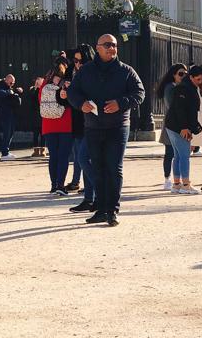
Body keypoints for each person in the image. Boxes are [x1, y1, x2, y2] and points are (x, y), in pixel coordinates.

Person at [68, 34, 145, 226]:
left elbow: (139, 93)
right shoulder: (86, 71)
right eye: (108, 45)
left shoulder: (126, 71)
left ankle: (112, 211)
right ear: (98, 47)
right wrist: (81, 103)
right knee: (98, 168)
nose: (112, 48)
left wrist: (121, 103)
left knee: (114, 168)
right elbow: (73, 92)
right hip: (93, 127)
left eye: (114, 45)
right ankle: (100, 209)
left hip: (118, 127)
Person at [164, 64, 202, 195]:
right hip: (179, 126)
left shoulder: (185, 87)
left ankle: (177, 184)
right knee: (184, 156)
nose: (200, 82)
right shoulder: (186, 88)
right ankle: (186, 185)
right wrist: (185, 127)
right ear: (191, 77)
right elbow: (180, 109)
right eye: (198, 79)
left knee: (178, 155)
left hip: (173, 125)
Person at [67, 46, 96, 213]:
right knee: (83, 160)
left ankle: (99, 192)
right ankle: (89, 198)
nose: (77, 64)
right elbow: (72, 99)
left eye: (80, 61)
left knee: (84, 159)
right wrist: (64, 95)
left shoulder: (92, 75)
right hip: (79, 123)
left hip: (92, 123)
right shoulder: (76, 74)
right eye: (75, 61)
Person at [39, 61, 74, 195]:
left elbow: (40, 102)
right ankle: (60, 185)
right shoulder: (66, 84)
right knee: (63, 156)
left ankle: (53, 185)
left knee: (53, 156)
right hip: (65, 123)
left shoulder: (44, 85)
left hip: (48, 123)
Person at [156, 64, 188, 191]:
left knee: (177, 153)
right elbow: (171, 105)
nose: (183, 76)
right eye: (180, 74)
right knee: (170, 152)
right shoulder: (170, 87)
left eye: (185, 74)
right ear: (174, 75)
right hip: (172, 123)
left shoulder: (181, 87)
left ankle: (176, 179)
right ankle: (167, 178)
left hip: (178, 123)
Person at [0, 74, 23, 161]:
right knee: (7, 132)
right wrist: (11, 92)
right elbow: (0, 93)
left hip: (10, 113)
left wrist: (17, 92)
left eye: (13, 83)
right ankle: (4, 153)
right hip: (4, 113)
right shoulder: (0, 86)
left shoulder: (8, 87)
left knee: (10, 132)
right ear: (6, 80)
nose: (12, 84)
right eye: (11, 82)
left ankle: (6, 151)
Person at [27, 76, 45, 157]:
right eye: (37, 82)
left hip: (42, 115)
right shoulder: (33, 90)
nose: (38, 84)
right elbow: (31, 100)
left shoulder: (44, 90)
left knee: (43, 134)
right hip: (35, 115)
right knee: (35, 134)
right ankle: (36, 150)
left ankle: (43, 150)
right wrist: (35, 88)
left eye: (40, 82)